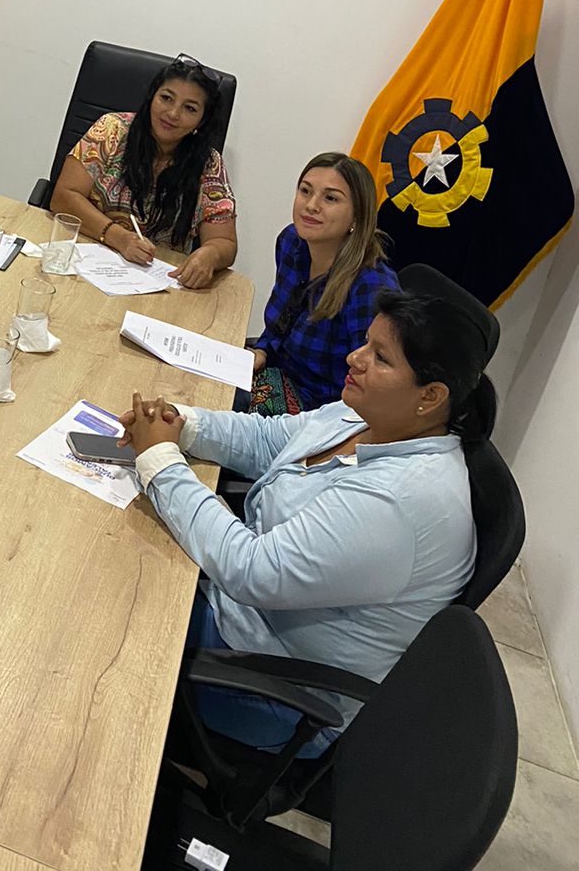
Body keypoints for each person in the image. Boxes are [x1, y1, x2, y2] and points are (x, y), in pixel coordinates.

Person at [119, 284, 492, 756]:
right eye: (366, 343)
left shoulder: (400, 500)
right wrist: (180, 423)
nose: (355, 359)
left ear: (431, 396)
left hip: (271, 682)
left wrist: (161, 461)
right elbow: (270, 440)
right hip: (242, 613)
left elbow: (252, 571)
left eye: (380, 357)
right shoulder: (371, 416)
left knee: (107, 604)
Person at [50, 56, 237, 289]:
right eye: (166, 98)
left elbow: (224, 241)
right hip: (84, 261)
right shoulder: (111, 130)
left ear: (202, 120)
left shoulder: (209, 163)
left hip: (156, 281)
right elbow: (63, 196)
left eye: (189, 108)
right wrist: (118, 237)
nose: (173, 113)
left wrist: (211, 254)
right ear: (152, 97)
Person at [245, 152, 398, 414]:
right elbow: (280, 325)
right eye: (305, 191)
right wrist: (262, 351)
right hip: (275, 371)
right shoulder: (292, 241)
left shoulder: (371, 287)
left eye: (330, 198)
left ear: (356, 217)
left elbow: (369, 390)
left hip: (320, 409)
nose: (311, 205)